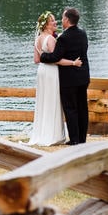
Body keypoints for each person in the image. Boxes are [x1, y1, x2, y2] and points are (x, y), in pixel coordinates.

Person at [27, 11, 82, 146]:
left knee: (44, 100)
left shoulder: (37, 39)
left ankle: (42, 133)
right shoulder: (50, 39)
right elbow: (56, 60)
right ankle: (52, 135)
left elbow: (36, 60)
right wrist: (73, 63)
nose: (55, 22)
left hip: (41, 72)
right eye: (52, 21)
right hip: (51, 72)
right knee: (53, 101)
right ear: (46, 25)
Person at [39, 7, 90, 144]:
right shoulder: (83, 33)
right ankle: (82, 139)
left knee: (71, 109)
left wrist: (43, 56)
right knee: (82, 108)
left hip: (69, 79)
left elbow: (55, 57)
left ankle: (74, 139)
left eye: (62, 18)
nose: (61, 20)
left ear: (67, 20)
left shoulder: (64, 38)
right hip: (83, 76)